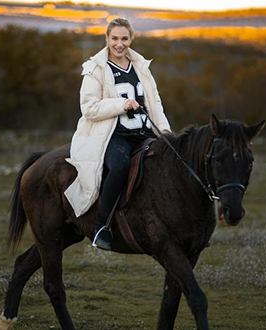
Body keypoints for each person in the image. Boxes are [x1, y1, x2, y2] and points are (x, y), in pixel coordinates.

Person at [64, 17, 172, 251]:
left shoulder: (141, 68)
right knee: (121, 166)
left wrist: (164, 132)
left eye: (124, 38)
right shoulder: (95, 69)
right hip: (114, 136)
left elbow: (156, 104)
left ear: (131, 39)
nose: (119, 44)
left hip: (143, 134)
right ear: (107, 39)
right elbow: (89, 108)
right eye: (114, 38)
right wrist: (121, 105)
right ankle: (101, 226)